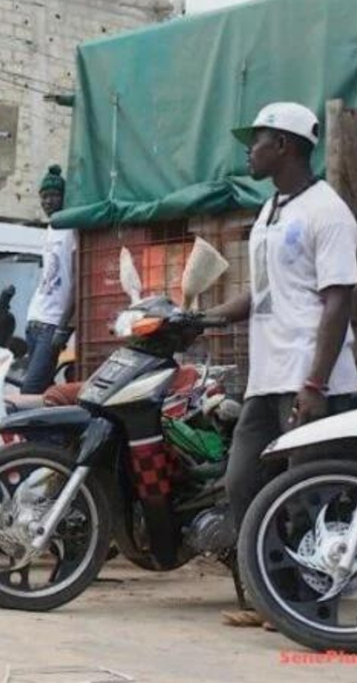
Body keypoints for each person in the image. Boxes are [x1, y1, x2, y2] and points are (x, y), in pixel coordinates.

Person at [208, 102, 357, 626]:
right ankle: (275, 598)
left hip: (313, 378)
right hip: (266, 377)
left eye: (259, 139)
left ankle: (311, 610)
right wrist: (204, 319)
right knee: (242, 483)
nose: (250, 149)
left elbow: (339, 300)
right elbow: (265, 293)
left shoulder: (328, 212)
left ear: (286, 145)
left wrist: (314, 382)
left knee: (308, 501)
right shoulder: (271, 212)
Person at [21, 165, 77, 395]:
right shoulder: (50, 229)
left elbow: (76, 280)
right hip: (35, 319)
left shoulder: (73, 229)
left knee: (30, 390)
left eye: (53, 196)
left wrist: (63, 327)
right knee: (42, 390)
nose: (47, 201)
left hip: (53, 324)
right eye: (44, 197)